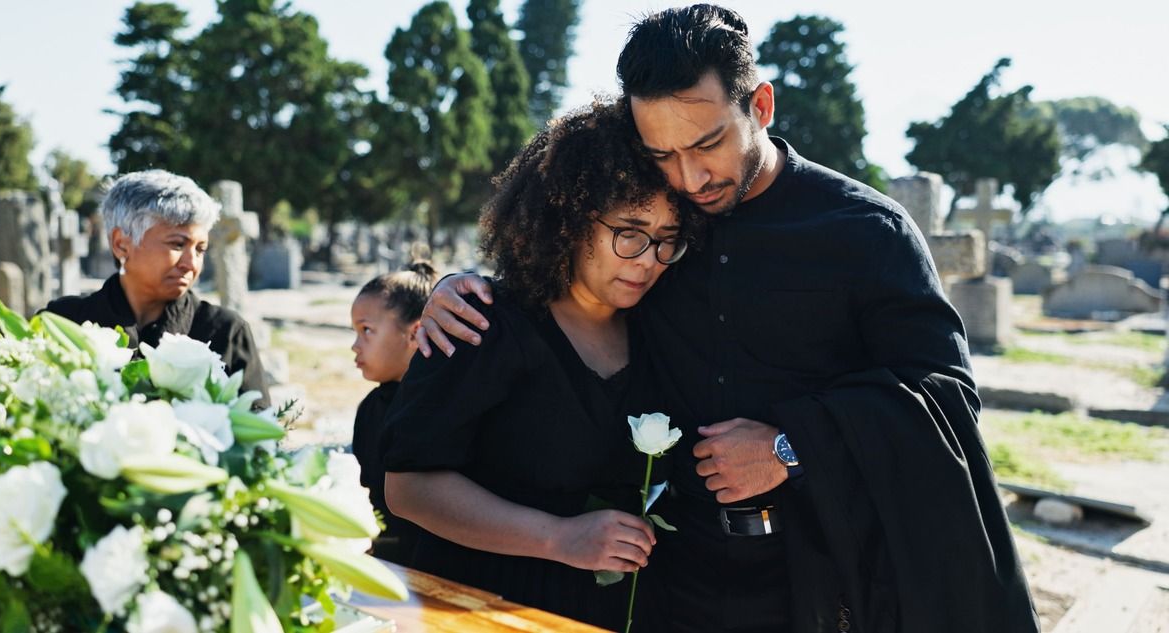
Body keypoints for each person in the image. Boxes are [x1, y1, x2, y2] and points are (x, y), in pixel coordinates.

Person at [414, 5, 1039, 632]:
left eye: (708, 143)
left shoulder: (866, 232)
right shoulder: (663, 219)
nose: (689, 178)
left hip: (819, 579)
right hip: (661, 578)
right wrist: (465, 285)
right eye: (662, 153)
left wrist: (789, 446)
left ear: (760, 106)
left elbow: (945, 396)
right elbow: (578, 254)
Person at [380, 100, 703, 630]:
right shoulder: (479, 323)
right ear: (569, 219)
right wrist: (558, 537)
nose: (648, 259)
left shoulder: (660, 329)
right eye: (629, 230)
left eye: (667, 238)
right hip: (487, 609)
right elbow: (409, 486)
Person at [44, 169, 269, 410]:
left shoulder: (226, 332)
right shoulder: (63, 323)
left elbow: (260, 439)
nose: (190, 263)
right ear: (121, 244)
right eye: (177, 244)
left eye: (200, 249)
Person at [348, 261, 438, 565]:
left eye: (366, 330)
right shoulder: (370, 409)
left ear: (414, 333)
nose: (354, 346)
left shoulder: (440, 406)